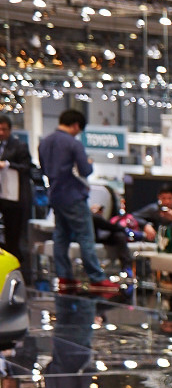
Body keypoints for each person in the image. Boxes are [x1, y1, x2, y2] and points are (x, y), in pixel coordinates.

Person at [38, 109, 113, 294]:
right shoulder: (73, 143)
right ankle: (96, 278)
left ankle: (65, 277)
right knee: (85, 237)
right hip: (73, 195)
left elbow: (44, 169)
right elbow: (85, 170)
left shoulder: (44, 142)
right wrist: (90, 163)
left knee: (61, 236)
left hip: (55, 195)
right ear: (76, 125)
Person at [0, 115, 35, 283]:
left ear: (10, 129)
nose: (1, 132)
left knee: (13, 234)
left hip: (13, 197)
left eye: (4, 129)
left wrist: (8, 165)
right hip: (1, 193)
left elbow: (27, 168)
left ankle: (15, 268)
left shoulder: (19, 146)